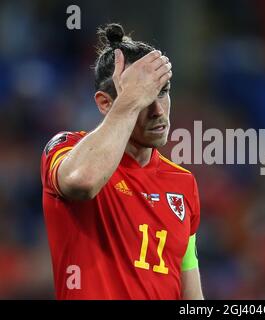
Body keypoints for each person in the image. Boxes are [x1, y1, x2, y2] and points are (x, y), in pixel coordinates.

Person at [40, 23, 203, 300]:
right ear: (105, 103)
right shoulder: (66, 148)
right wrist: (129, 101)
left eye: (162, 92)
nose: (157, 110)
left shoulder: (183, 183)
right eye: (143, 97)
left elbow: (191, 294)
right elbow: (83, 182)